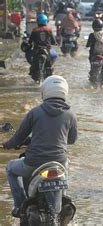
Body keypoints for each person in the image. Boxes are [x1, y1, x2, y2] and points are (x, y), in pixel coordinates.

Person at [3, 75, 77, 218]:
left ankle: (19, 206)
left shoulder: (35, 112)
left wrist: (7, 145)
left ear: (45, 91)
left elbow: (18, 137)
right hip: (59, 162)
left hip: (33, 162)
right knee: (65, 169)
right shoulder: (70, 114)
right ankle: (63, 198)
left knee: (11, 168)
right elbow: (72, 140)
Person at [28, 13, 57, 82]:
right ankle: (49, 69)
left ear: (38, 21)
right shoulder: (49, 30)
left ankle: (33, 71)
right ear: (46, 21)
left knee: (33, 62)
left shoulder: (34, 30)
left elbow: (30, 41)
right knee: (51, 62)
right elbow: (53, 41)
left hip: (37, 50)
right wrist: (54, 43)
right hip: (47, 50)